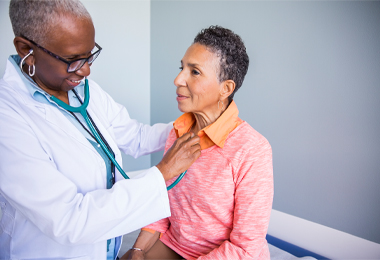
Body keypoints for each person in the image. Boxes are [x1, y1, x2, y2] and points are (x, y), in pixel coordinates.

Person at [0, 0, 201, 259]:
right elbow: (68, 221)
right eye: (73, 60)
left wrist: (189, 127)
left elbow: (136, 137)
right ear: (26, 49)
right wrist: (162, 174)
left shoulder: (85, 91)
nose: (86, 70)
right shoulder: (8, 117)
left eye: (89, 55)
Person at [124, 26, 274, 260]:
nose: (178, 79)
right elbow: (162, 204)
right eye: (181, 68)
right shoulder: (178, 131)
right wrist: (138, 250)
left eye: (194, 72)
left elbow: (246, 248)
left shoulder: (252, 149)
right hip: (175, 245)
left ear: (226, 89)